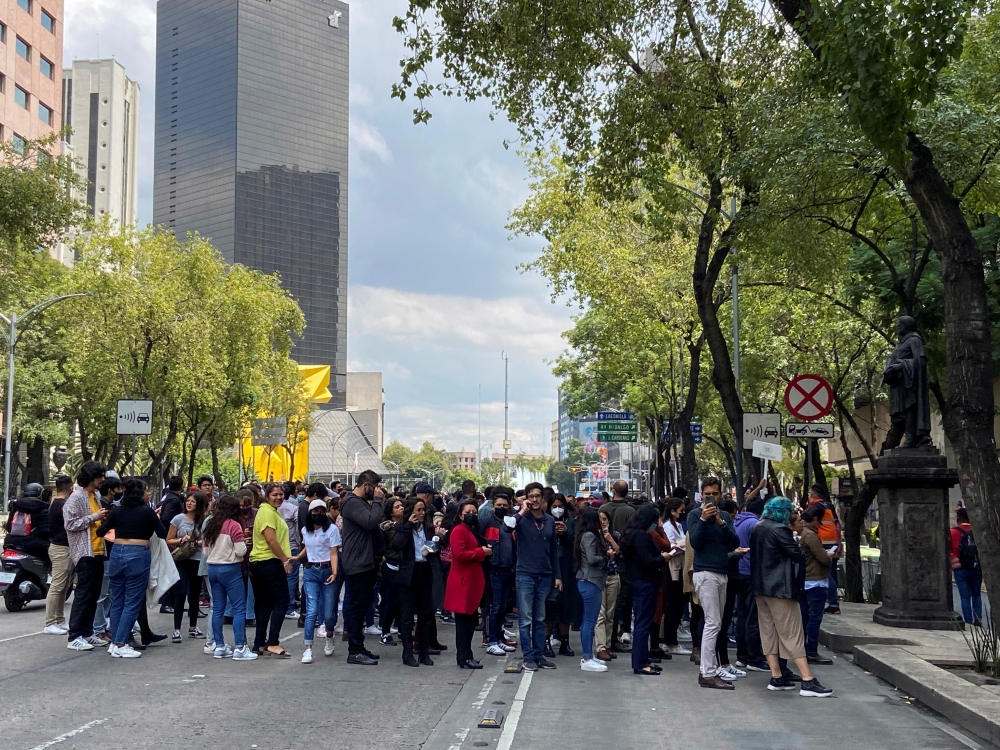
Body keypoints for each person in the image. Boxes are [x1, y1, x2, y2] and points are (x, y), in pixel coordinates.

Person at [751, 497, 833, 697]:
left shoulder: (758, 527)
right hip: (781, 588)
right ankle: (807, 679)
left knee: (768, 632)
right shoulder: (780, 530)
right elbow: (798, 555)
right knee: (792, 633)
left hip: (760, 588)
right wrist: (794, 536)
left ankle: (776, 676)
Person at [95, 479, 166, 658]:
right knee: (132, 601)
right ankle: (121, 642)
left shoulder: (117, 511)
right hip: (138, 553)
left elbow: (100, 532)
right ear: (141, 494)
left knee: (117, 600)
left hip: (117, 552)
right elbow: (162, 533)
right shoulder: (147, 512)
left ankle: (115, 642)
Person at [688, 477, 740, 689]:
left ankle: (710, 670)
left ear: (721, 494)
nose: (712, 497)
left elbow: (734, 542)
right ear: (702, 494)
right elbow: (695, 542)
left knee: (716, 623)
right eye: (708, 493)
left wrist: (720, 521)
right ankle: (707, 672)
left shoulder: (725, 515)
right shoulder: (694, 514)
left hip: (722, 572)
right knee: (712, 623)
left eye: (715, 493)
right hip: (705, 573)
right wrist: (703, 519)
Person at [512, 482, 561, 672]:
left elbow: (553, 549)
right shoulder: (521, 519)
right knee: (525, 619)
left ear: (542, 498)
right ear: (526, 498)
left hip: (545, 575)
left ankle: (539, 654)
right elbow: (507, 529)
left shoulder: (549, 520)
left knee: (540, 618)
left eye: (537, 496)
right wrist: (522, 511)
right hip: (525, 574)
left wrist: (557, 575)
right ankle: (528, 656)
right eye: (531, 496)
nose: (534, 499)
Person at [340, 470, 385, 665]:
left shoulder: (359, 503)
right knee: (357, 607)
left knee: (362, 605)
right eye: (375, 488)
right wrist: (377, 501)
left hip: (365, 562)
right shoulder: (351, 502)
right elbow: (370, 522)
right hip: (357, 563)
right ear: (366, 485)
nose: (377, 491)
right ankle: (354, 650)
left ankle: (359, 646)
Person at [64, 461, 110, 650]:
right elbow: (70, 524)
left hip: (98, 550)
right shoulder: (77, 497)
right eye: (100, 476)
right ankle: (74, 635)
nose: (103, 480)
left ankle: (87, 632)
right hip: (85, 552)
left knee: (93, 594)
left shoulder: (95, 496)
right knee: (83, 594)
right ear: (91, 477)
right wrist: (95, 517)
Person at [203, 495, 256, 661]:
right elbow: (241, 550)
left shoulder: (210, 525)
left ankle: (219, 646)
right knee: (239, 608)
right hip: (231, 568)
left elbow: (205, 552)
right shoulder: (234, 526)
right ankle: (240, 647)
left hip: (212, 567)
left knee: (217, 608)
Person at [620, 504, 668, 676]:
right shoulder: (640, 536)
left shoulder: (634, 534)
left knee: (644, 622)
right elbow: (648, 560)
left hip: (643, 581)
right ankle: (640, 662)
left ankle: (643, 659)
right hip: (645, 581)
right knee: (642, 623)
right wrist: (663, 558)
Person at [249, 482, 296, 658]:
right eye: (274, 494)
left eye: (281, 494)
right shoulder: (267, 513)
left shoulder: (269, 512)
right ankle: (273, 642)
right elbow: (271, 540)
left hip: (261, 561)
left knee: (265, 603)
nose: (278, 497)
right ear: (267, 496)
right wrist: (285, 560)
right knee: (281, 601)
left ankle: (259, 643)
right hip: (268, 561)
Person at [389, 496, 436, 667]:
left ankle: (424, 652)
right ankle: (407, 653)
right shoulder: (402, 527)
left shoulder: (428, 528)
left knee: (425, 616)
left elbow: (434, 549)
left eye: (423, 510)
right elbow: (397, 545)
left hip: (424, 571)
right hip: (408, 573)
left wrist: (435, 546)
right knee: (407, 616)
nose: (422, 513)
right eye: (418, 510)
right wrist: (408, 525)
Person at [444, 500, 491, 668]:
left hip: (471, 582)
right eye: (468, 512)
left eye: (474, 511)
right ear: (460, 515)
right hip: (462, 583)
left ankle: (465, 655)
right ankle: (464, 656)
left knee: (469, 622)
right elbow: (460, 554)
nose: (472, 514)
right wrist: (481, 552)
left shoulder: (470, 530)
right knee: (464, 624)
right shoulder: (458, 531)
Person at [300, 498, 341, 663]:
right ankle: (308, 648)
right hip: (310, 572)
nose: (319, 514)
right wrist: (297, 557)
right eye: (315, 511)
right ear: (310, 513)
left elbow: (333, 552)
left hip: (327, 571)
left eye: (322, 511)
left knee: (329, 613)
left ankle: (329, 635)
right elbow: (308, 547)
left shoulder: (331, 530)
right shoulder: (305, 530)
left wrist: (335, 572)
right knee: (311, 611)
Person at [167, 491, 208, 642]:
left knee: (195, 593)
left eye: (193, 501)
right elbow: (168, 540)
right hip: (181, 559)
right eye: (187, 501)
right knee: (180, 592)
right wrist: (180, 540)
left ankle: (193, 627)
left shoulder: (204, 521)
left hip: (197, 559)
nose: (189, 503)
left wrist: (197, 543)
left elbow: (208, 540)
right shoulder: (178, 519)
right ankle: (176, 629)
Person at [482, 490, 517, 655]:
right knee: (494, 607)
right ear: (492, 506)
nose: (502, 507)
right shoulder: (487, 522)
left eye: (505, 505)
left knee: (503, 607)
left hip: (508, 570)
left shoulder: (511, 523)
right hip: (493, 570)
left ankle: (499, 637)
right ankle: (491, 640)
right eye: (498, 505)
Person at [734, 498, 768, 671]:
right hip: (749, 573)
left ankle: (742, 655)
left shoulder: (739, 521)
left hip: (739, 571)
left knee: (742, 615)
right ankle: (754, 656)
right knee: (753, 617)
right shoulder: (755, 524)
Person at [574, 507, 609, 673]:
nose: (602, 522)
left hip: (588, 580)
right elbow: (592, 559)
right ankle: (587, 657)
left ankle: (589, 655)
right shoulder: (589, 536)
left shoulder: (584, 535)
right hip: (591, 580)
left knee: (590, 621)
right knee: (589, 621)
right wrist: (606, 556)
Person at [799, 504, 834, 665]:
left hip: (806, 580)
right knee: (814, 617)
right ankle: (811, 650)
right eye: (819, 521)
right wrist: (829, 555)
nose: (820, 525)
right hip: (815, 580)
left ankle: (804, 649)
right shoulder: (811, 535)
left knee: (806, 616)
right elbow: (822, 558)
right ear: (814, 520)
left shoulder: (802, 532)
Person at [603, 480, 635, 651]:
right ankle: (613, 638)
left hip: (603, 561)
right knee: (617, 602)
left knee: (605, 605)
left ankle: (606, 639)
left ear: (612, 490)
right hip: (622, 561)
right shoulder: (630, 511)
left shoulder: (603, 509)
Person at [545, 494, 577, 658]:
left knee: (566, 605)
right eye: (554, 506)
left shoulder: (572, 522)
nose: (557, 509)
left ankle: (565, 641)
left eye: (560, 506)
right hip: (549, 569)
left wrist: (566, 533)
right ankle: (546, 640)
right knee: (550, 605)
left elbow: (577, 543)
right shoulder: (544, 521)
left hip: (567, 569)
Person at [43, 475, 75, 635]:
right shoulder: (60, 505)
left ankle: (59, 619)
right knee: (57, 586)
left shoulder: (57, 504)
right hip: (61, 548)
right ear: (70, 488)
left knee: (63, 586)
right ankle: (50, 622)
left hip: (63, 547)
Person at [660, 499, 690, 656]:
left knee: (678, 603)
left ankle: (671, 637)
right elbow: (669, 546)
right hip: (673, 568)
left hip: (680, 566)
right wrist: (680, 545)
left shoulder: (677, 526)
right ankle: (670, 640)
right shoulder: (667, 527)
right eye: (680, 510)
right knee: (673, 604)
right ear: (672, 511)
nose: (682, 513)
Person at [806, 485, 841, 615]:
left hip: (822, 540)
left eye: (809, 493)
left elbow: (805, 517)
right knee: (830, 572)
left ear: (813, 495)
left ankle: (833, 603)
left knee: (827, 574)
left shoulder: (816, 507)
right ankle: (833, 602)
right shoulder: (828, 506)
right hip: (831, 541)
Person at [594, 508, 621, 662]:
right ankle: (600, 647)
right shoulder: (593, 537)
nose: (602, 522)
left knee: (610, 614)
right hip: (599, 577)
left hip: (613, 576)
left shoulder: (615, 535)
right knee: (601, 614)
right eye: (600, 519)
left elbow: (621, 553)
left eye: (605, 519)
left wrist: (610, 539)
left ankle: (608, 644)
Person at [3, 482, 51, 563]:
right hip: (34, 544)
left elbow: (9, 527)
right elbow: (44, 531)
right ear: (40, 494)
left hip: (11, 542)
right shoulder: (43, 508)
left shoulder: (15, 507)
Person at [379, 498, 405, 645]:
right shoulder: (387, 527)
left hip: (404, 566)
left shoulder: (406, 524)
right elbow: (396, 543)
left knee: (403, 600)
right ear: (390, 512)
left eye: (402, 506)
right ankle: (385, 632)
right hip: (391, 566)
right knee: (391, 600)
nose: (401, 508)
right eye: (397, 507)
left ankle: (402, 629)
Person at [950, 507, 982, 625]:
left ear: (959, 518)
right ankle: (978, 620)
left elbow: (949, 550)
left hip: (960, 568)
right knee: (976, 595)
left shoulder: (953, 532)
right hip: (976, 567)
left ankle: (968, 622)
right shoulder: (977, 531)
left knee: (964, 597)